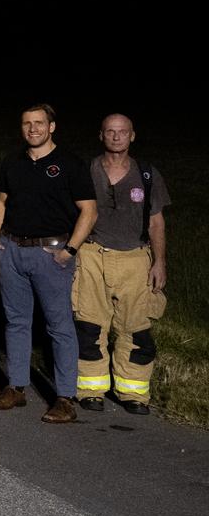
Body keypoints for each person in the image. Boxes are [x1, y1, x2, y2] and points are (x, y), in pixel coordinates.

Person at [0, 105, 97, 424]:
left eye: (39, 123)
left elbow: (89, 211)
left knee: (58, 325)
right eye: (27, 123)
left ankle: (64, 397)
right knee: (16, 321)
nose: (33, 129)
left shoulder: (70, 164)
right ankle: (16, 387)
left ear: (52, 126)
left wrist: (69, 251)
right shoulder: (13, 162)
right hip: (12, 250)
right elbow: (3, 202)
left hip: (51, 253)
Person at [75, 115, 168, 414]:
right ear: (101, 135)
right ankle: (90, 389)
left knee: (136, 328)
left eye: (123, 132)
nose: (117, 137)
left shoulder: (148, 174)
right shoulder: (86, 171)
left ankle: (134, 393)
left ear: (132, 136)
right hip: (92, 256)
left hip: (135, 260)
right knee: (90, 326)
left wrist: (160, 262)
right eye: (111, 132)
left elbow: (156, 223)